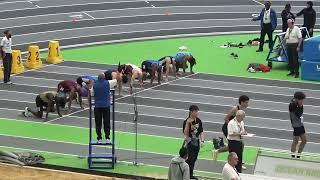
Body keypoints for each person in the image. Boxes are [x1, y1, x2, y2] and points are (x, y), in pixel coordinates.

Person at [213, 95, 249, 163]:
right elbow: (226, 118)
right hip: (227, 128)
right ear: (241, 102)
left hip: (235, 129)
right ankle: (235, 160)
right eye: (246, 102)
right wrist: (231, 127)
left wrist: (242, 130)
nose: (247, 104)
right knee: (234, 145)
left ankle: (238, 159)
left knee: (240, 144)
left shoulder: (241, 110)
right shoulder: (235, 109)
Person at [93, 73, 117, 144]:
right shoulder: (108, 83)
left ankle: (99, 138)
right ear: (104, 78)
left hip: (97, 106)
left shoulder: (94, 85)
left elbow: (91, 92)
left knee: (98, 123)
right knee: (106, 122)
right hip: (106, 106)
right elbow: (115, 80)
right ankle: (107, 138)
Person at [183, 105, 204, 180]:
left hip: (196, 141)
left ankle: (190, 174)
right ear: (191, 112)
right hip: (189, 141)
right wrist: (188, 124)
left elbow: (201, 131)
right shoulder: (186, 121)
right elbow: (185, 133)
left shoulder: (198, 120)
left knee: (194, 158)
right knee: (189, 159)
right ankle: (186, 174)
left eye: (197, 111)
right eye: (195, 111)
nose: (197, 113)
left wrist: (202, 140)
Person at [289, 92, 307, 159]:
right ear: (297, 99)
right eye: (301, 100)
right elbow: (298, 114)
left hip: (300, 124)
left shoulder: (297, 103)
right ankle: (293, 156)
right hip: (296, 125)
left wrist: (300, 105)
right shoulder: (292, 105)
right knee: (295, 141)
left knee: (304, 141)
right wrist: (300, 106)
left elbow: (301, 113)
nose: (302, 101)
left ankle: (299, 155)